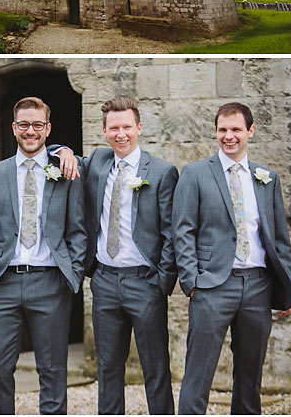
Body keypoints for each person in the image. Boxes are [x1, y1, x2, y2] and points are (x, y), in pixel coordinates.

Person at [173, 101, 291, 414]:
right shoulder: (195, 173)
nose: (229, 136)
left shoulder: (266, 177)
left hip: (257, 287)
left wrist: (288, 287)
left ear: (250, 131)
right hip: (212, 287)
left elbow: (279, 238)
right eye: (222, 129)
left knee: (250, 377)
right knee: (197, 375)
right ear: (216, 132)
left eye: (236, 129)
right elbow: (182, 231)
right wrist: (191, 282)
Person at [0, 96, 86, 415]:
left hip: (50, 282)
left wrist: (72, 274)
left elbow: (78, 229)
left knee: (52, 370)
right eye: (24, 124)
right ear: (13, 128)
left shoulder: (65, 170)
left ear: (48, 129)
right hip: (1, 284)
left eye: (37, 125)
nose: (30, 131)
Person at [80, 96, 177, 415]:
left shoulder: (162, 172)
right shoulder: (96, 162)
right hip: (105, 281)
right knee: (107, 369)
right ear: (104, 131)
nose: (120, 134)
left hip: (144, 283)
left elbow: (170, 233)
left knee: (155, 368)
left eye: (126, 127)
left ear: (139, 128)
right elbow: (56, 157)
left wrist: (161, 282)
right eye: (113, 128)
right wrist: (63, 149)